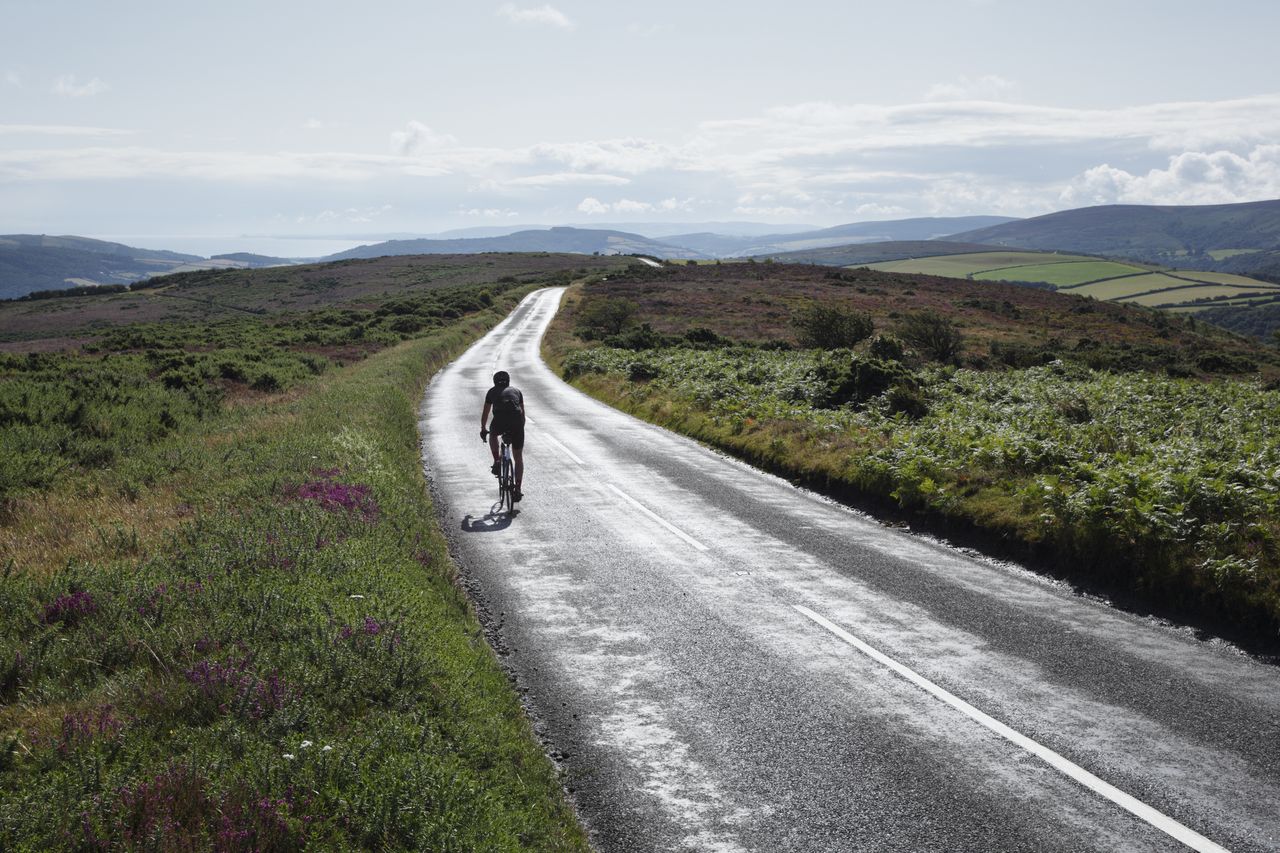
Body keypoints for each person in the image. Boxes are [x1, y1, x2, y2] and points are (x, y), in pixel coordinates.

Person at [480, 370, 525, 502]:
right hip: (516, 422)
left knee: (493, 435)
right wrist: (519, 429)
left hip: (500, 420)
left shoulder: (491, 392)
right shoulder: (517, 391)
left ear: (495, 382)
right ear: (508, 381)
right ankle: (517, 488)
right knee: (518, 457)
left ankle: (497, 461)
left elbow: (486, 412)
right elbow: (523, 414)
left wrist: (483, 429)